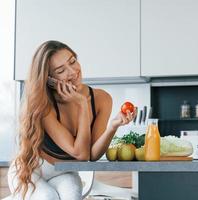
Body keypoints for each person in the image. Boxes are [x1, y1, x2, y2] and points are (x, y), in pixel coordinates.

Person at [7, 40, 136, 200]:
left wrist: (113, 127)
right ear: (49, 79)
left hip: (64, 173)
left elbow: (91, 155)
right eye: (61, 70)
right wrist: (82, 104)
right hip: (30, 171)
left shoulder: (102, 99)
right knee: (47, 197)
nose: (72, 72)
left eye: (73, 61)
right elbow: (80, 154)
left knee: (73, 196)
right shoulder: (44, 105)